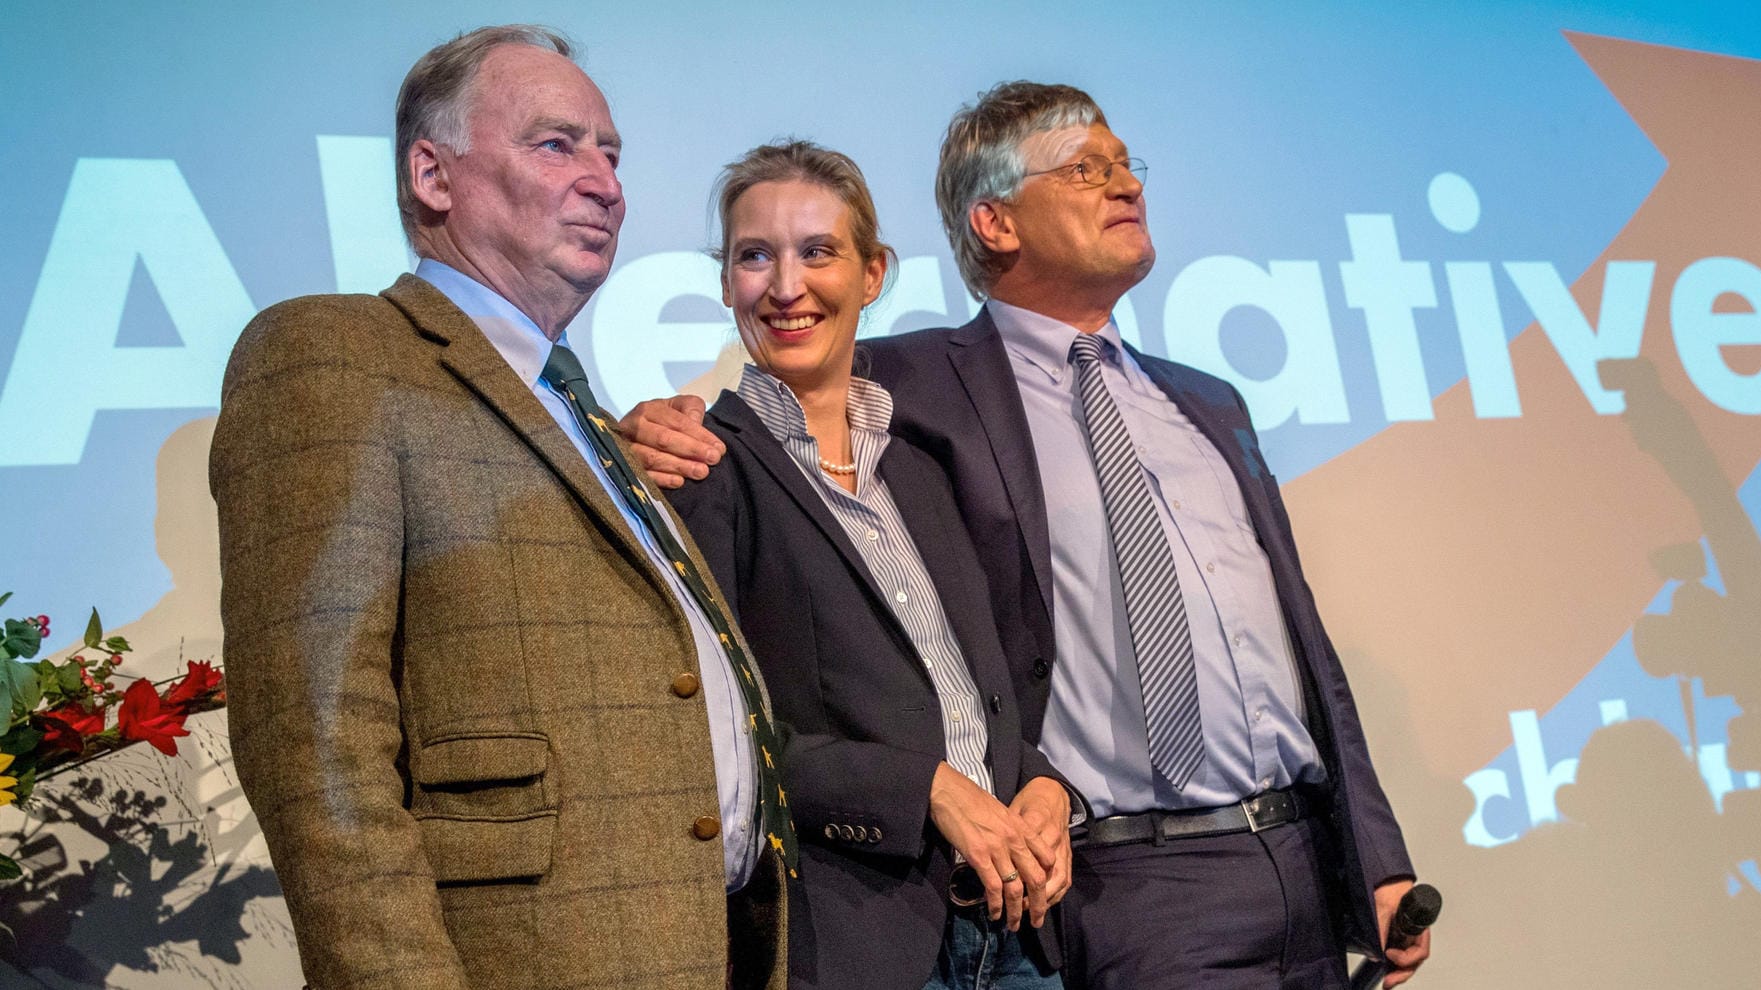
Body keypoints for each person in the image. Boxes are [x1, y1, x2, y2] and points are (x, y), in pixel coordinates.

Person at [622, 82, 1431, 989]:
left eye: (1125, 164)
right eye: (1087, 169)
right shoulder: (920, 385)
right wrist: (641, 426)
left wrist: (1373, 859)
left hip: (1297, 862)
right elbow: (793, 372)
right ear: (994, 221)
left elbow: (1302, 648)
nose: (1123, 185)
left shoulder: (1206, 400)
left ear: (871, 270)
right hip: (1118, 881)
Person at [210, 25, 789, 990]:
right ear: (433, 175)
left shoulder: (578, 407)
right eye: (557, 145)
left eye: (611, 154)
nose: (605, 182)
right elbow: (316, 746)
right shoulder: (334, 352)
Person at [664, 140, 1076, 990]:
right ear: (724, 280)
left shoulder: (920, 469)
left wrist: (1042, 786)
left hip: (1015, 935)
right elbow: (716, 738)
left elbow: (973, 692)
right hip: (855, 944)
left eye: (817, 251)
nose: (786, 287)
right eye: (754, 256)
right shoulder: (706, 469)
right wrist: (918, 788)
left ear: (873, 272)